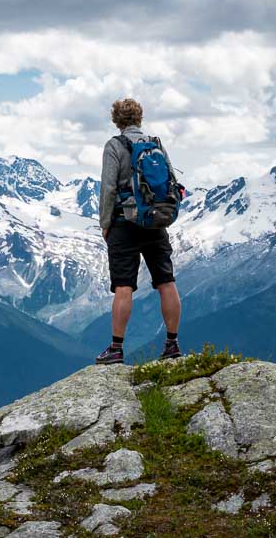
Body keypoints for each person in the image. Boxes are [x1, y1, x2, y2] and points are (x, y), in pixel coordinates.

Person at [95, 98, 182, 365]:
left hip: (124, 223)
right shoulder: (155, 143)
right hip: (155, 221)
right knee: (166, 281)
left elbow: (109, 188)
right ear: (140, 118)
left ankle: (116, 348)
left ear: (116, 120)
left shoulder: (114, 145)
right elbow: (171, 182)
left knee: (124, 286)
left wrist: (105, 224)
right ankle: (172, 344)